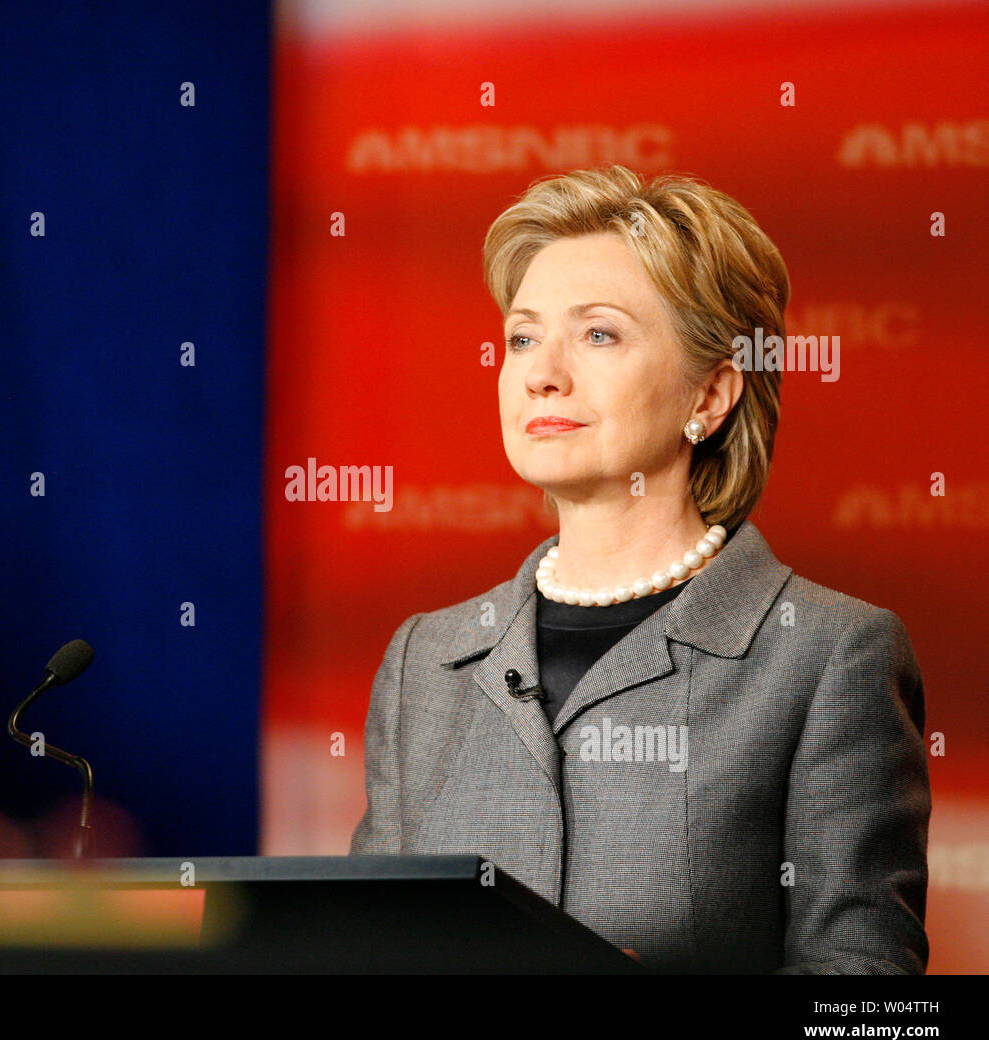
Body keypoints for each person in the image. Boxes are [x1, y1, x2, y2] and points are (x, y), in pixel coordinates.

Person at [349, 165, 929, 974]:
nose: (541, 371)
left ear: (713, 392)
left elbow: (869, 1009)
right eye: (522, 336)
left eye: (599, 334)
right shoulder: (424, 661)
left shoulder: (831, 655)